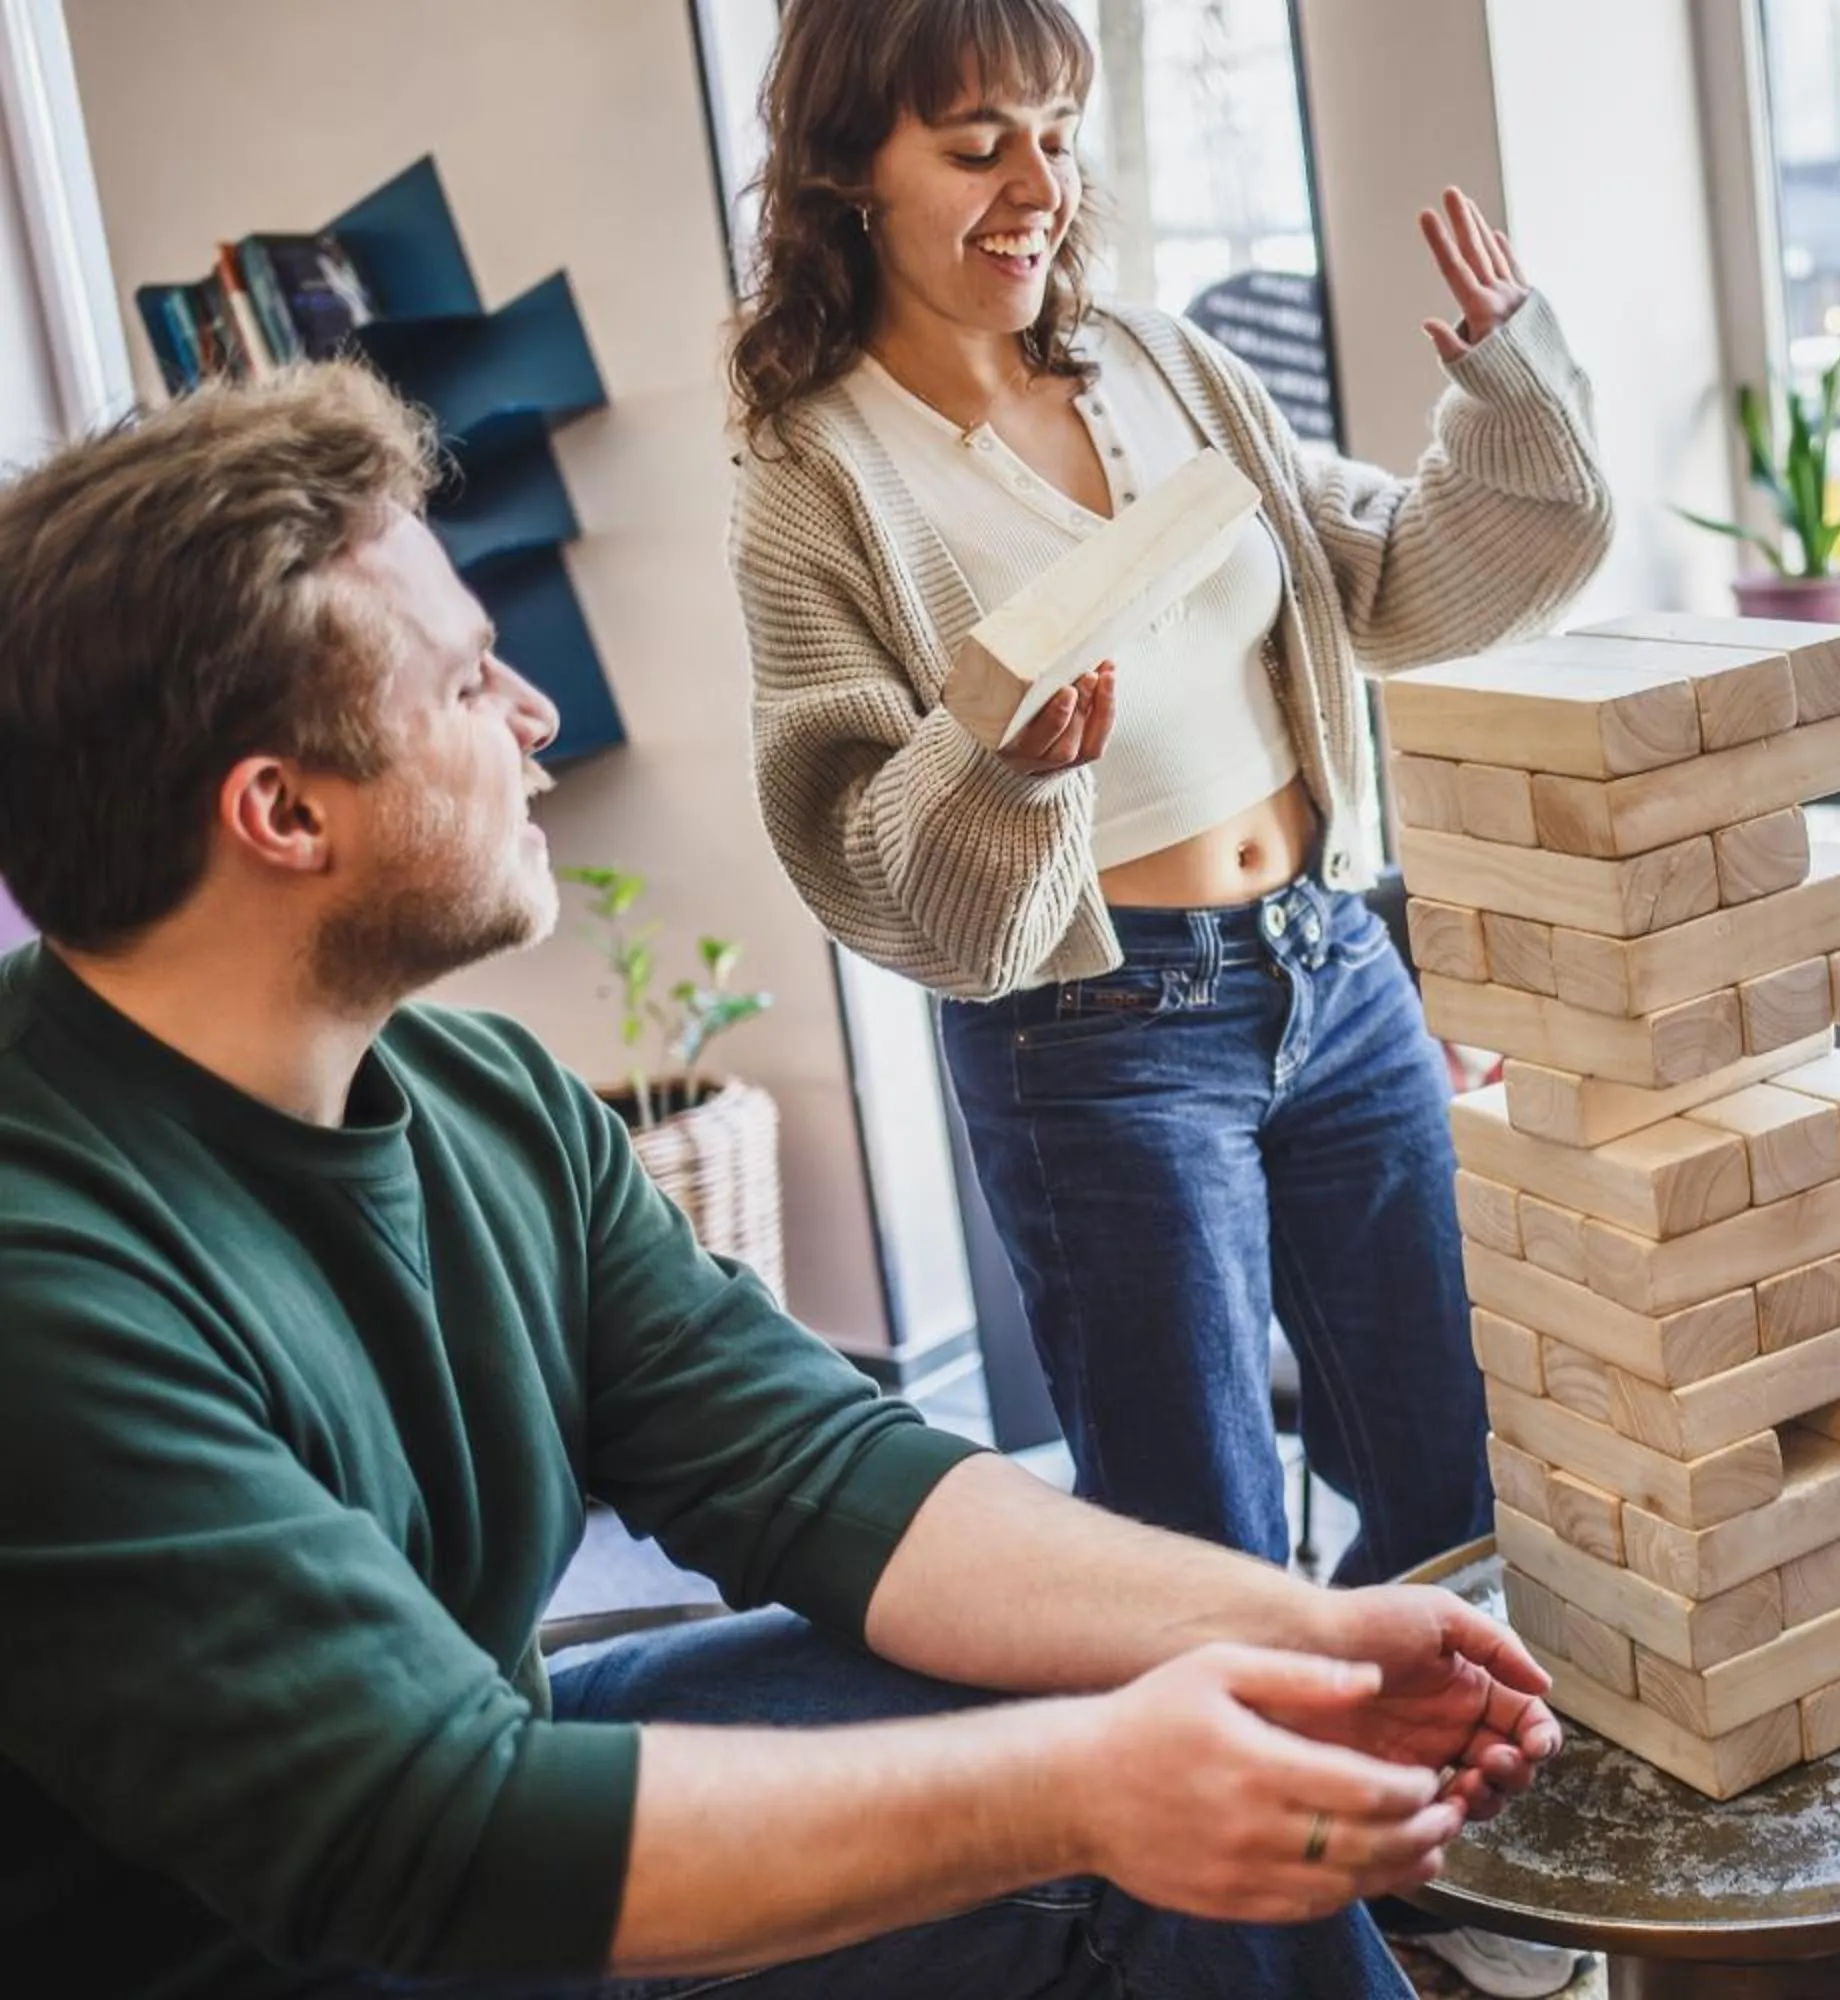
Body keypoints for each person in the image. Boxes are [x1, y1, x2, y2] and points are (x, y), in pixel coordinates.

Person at [0, 364, 1563, 2000]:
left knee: (1215, 1735)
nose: (534, 716)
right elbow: (427, 1838)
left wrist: (1288, 1635)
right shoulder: (49, 1291)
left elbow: (815, 1467)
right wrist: (1085, 1788)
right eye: (466, 686)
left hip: (479, 1779)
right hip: (337, 1926)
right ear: (281, 811)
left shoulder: (488, 1103)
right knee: (1111, 1786)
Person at [727, 0, 1608, 1623]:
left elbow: (1398, 577)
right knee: (1200, 1536)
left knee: (1460, 1467)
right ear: (850, 167)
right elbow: (844, 825)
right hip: (1095, 1034)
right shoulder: (819, 470)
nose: (1035, 186)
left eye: (1056, 137)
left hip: (1333, 966)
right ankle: (1270, 1783)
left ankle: (1410, 1758)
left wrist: (1509, 390)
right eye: (976, 146)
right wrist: (1002, 766)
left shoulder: (1165, 363)